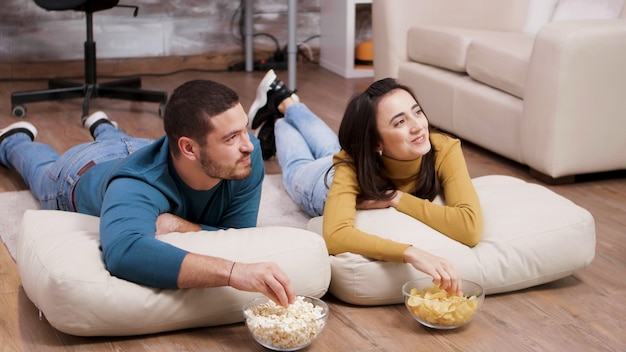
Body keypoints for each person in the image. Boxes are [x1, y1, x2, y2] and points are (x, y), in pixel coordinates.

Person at [0, 79, 295, 307]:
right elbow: (125, 253)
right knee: (40, 171)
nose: (248, 145)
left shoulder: (245, 155)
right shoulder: (134, 185)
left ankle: (104, 126)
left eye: (245, 129)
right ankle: (13, 142)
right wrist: (233, 273)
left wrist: (183, 227)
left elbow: (238, 234)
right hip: (79, 171)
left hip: (141, 148)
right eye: (231, 137)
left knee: (126, 144)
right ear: (189, 148)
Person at [248, 70, 483, 294]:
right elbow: (335, 235)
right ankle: (278, 121)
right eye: (400, 122)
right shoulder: (350, 163)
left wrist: (396, 198)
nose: (418, 126)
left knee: (330, 148)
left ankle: (286, 102)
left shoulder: (443, 147)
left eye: (417, 112)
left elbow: (469, 228)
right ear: (376, 142)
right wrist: (409, 252)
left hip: (354, 158)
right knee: (296, 164)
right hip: (321, 184)